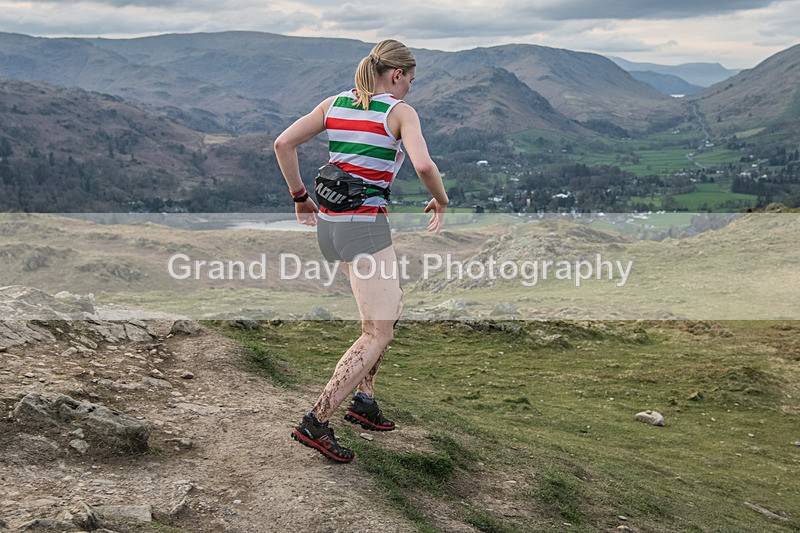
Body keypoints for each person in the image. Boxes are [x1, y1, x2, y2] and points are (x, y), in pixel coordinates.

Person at [274, 39, 449, 463]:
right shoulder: (399, 111)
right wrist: (440, 200)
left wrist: (300, 196)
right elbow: (424, 165)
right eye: (410, 79)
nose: (410, 87)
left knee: (392, 306)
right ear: (396, 75)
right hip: (364, 228)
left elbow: (283, 144)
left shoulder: (334, 103)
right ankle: (316, 421)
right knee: (377, 331)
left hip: (332, 226)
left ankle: (364, 402)